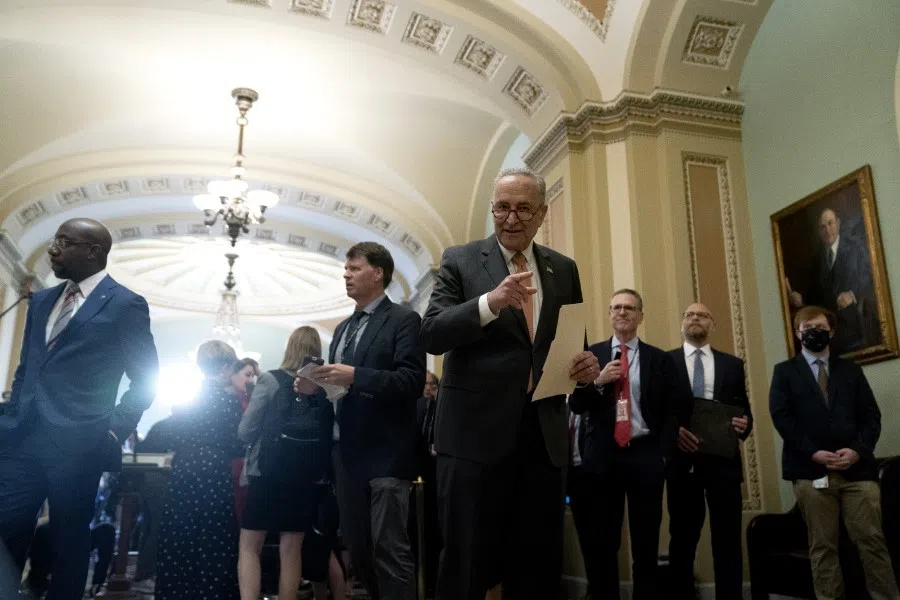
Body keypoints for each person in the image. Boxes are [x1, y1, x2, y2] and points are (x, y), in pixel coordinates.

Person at [420, 167, 599, 600]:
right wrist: (489, 302)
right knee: (466, 567)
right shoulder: (460, 260)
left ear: (541, 213)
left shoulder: (563, 269)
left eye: (523, 208)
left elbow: (571, 342)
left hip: (542, 441)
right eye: (502, 207)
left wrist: (586, 370)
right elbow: (432, 333)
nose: (511, 218)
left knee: (537, 569)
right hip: (472, 443)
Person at [0, 217, 159, 600]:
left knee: (68, 544)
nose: (53, 249)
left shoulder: (126, 305)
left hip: (80, 444)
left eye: (64, 242)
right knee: (6, 533)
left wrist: (112, 430)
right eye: (54, 240)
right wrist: (11, 418)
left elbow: (146, 378)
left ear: (93, 252)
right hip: (23, 439)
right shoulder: (39, 301)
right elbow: (28, 368)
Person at [310, 241, 426, 600]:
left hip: (388, 452)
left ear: (378, 273)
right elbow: (341, 385)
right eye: (345, 269)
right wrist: (321, 383)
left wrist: (356, 375)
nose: (346, 274)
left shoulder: (404, 320)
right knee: (358, 551)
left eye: (354, 268)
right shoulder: (344, 328)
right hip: (346, 454)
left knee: (389, 549)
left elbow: (411, 381)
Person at [769, 305, 899, 600]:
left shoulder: (851, 371)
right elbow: (782, 418)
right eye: (808, 328)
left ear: (832, 332)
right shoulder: (784, 372)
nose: (815, 333)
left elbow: (871, 417)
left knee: (872, 541)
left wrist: (857, 451)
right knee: (823, 546)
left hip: (857, 472)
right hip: (810, 472)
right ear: (798, 332)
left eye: (820, 328)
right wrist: (813, 452)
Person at [568, 289, 680, 600]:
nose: (622, 312)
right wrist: (599, 381)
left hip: (645, 455)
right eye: (616, 307)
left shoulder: (660, 359)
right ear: (609, 314)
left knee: (646, 540)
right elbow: (576, 404)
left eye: (629, 308)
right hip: (603, 456)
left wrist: (663, 454)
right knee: (603, 541)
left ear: (640, 316)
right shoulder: (592, 355)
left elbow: (673, 411)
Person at [238, 327, 334, 600]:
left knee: (250, 545)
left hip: (267, 472)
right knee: (291, 550)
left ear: (289, 347)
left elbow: (246, 431)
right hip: (307, 476)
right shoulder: (326, 387)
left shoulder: (270, 380)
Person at [665, 303, 753, 600]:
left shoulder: (732, 364)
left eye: (702, 314)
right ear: (682, 323)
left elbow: (744, 411)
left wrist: (745, 423)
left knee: (727, 539)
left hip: (723, 465)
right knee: (683, 540)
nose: (695, 318)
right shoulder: (666, 362)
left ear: (712, 324)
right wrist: (672, 432)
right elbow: (657, 411)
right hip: (681, 463)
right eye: (689, 314)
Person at [154, 340, 245, 600]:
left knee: (178, 537)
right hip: (214, 470)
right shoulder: (228, 402)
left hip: (184, 467)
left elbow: (171, 435)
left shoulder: (186, 398)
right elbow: (237, 442)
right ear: (227, 367)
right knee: (213, 540)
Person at [788, 207, 877, 353]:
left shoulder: (855, 248)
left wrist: (852, 294)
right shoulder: (816, 260)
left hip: (851, 320)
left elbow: (869, 278)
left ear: (838, 223)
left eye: (830, 223)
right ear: (818, 231)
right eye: (822, 227)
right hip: (825, 327)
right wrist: (800, 298)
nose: (827, 230)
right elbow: (813, 294)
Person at [229, 357, 259, 525]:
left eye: (253, 376)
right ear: (233, 374)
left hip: (247, 462)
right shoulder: (227, 401)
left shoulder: (252, 400)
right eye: (248, 374)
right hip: (231, 461)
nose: (251, 380)